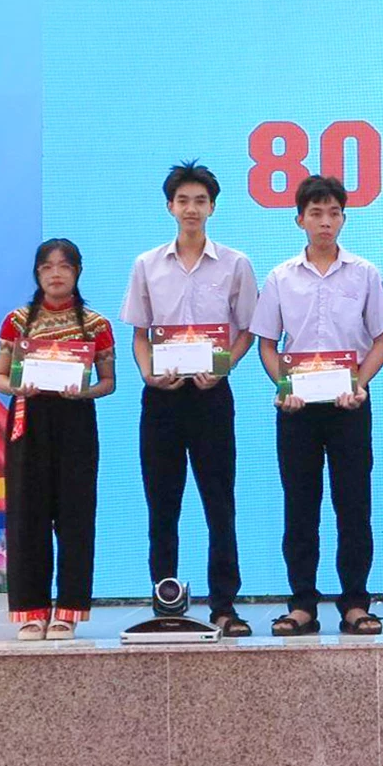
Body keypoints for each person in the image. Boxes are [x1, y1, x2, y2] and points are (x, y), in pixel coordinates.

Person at [250, 175, 383, 636]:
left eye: (333, 213)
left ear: (344, 219)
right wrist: (283, 385)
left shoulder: (365, 273)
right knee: (300, 508)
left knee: (354, 507)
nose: (325, 222)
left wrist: (360, 384)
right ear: (300, 220)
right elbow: (267, 343)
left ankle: (355, 603)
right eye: (316, 213)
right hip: (297, 410)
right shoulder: (280, 277)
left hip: (350, 406)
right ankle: (302, 605)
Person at [120, 161, 258, 636]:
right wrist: (147, 373)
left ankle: (224, 605)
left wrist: (223, 368)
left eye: (200, 201)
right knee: (163, 504)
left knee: (220, 502)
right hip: (161, 398)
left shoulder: (236, 264)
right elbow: (140, 334)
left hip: (211, 396)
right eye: (184, 201)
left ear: (212, 208)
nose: (192, 209)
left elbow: (248, 331)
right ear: (170, 207)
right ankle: (166, 602)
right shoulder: (147, 264)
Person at [0, 239, 116, 640]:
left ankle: (68, 612)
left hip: (76, 422)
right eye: (47, 267)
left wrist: (84, 392)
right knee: (27, 515)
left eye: (65, 266)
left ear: (78, 272)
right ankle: (31, 612)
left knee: (75, 515)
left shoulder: (96, 325)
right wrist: (17, 387)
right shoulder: (16, 321)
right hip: (28, 421)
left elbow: (109, 383)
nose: (56, 274)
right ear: (37, 273)